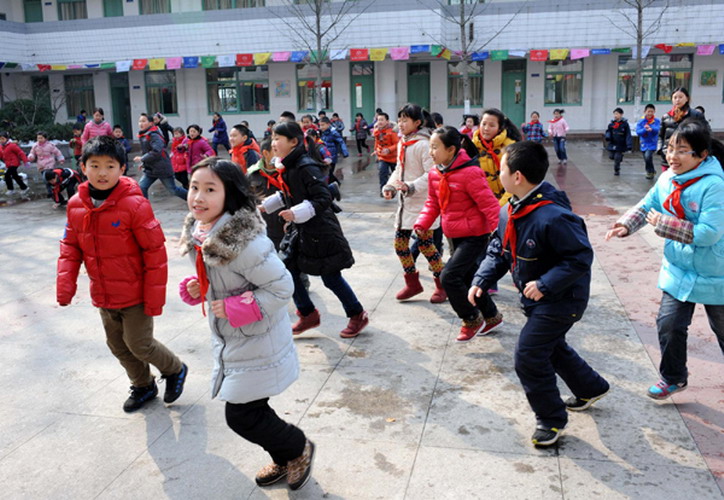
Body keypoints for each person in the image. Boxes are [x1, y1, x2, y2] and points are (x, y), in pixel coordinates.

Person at [179, 157, 315, 491]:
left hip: (256, 338)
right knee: (252, 409)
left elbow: (282, 287)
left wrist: (235, 307)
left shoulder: (243, 242)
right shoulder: (204, 231)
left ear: (231, 195)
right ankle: (285, 458)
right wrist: (201, 288)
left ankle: (297, 448)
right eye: (194, 187)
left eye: (210, 189)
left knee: (241, 415)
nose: (198, 196)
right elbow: (223, 278)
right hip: (237, 340)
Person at [469, 141, 610, 447]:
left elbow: (579, 257)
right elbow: (499, 249)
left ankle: (550, 419)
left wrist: (546, 283)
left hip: (562, 299)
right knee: (551, 346)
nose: (496, 172)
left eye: (501, 168)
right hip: (536, 297)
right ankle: (591, 387)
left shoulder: (553, 216)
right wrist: (482, 278)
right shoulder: (510, 208)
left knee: (529, 354)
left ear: (517, 176)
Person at [56, 136, 188, 413]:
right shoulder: (76, 206)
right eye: (95, 165)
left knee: (140, 344)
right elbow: (70, 247)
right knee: (117, 345)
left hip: (135, 293)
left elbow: (155, 254)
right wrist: (65, 286)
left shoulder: (135, 205)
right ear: (83, 167)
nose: (102, 172)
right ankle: (143, 385)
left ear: (122, 169)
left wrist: (154, 298)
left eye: (110, 166)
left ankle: (174, 368)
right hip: (103, 292)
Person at [605, 118, 724, 400]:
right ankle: (673, 377)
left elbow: (709, 234)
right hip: (679, 269)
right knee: (669, 324)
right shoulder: (667, 178)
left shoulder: (714, 186)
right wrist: (626, 225)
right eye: (670, 148)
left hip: (716, 272)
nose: (672, 156)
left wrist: (663, 224)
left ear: (701, 155)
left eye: (682, 150)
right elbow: (649, 204)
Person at [263, 121, 369, 338]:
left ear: (293, 142)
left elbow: (322, 197)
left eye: (278, 139)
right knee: (288, 269)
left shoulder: (304, 166)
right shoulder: (289, 165)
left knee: (330, 277)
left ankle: (357, 314)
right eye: (272, 138)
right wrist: (266, 206)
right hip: (302, 231)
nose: (273, 143)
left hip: (321, 231)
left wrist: (296, 212)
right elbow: (292, 194)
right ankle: (308, 313)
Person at [415, 127, 502, 341]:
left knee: (449, 277)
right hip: (454, 233)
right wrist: (422, 223)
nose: (431, 152)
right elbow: (433, 203)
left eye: (435, 147)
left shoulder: (470, 172)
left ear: (451, 149)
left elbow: (489, 205)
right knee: (469, 276)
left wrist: (501, 235)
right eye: (430, 147)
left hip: (475, 235)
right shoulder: (436, 172)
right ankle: (491, 315)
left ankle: (471, 318)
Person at [382, 103, 445, 303]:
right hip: (405, 205)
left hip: (423, 205)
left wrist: (410, 186)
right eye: (399, 119)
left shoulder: (424, 144)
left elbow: (432, 173)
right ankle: (412, 283)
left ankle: (442, 284)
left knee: (427, 246)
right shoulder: (404, 143)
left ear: (417, 122)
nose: (400, 123)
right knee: (400, 245)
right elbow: (399, 169)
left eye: (405, 120)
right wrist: (390, 186)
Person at [472, 108, 521, 206]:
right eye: (484, 124)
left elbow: (516, 182)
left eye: (492, 125)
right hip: (481, 205)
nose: (486, 128)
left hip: (508, 204)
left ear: (500, 128)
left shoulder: (510, 148)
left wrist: (500, 207)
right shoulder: (471, 148)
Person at [134, 113, 188, 201]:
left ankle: (192, 198)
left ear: (151, 123)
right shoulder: (144, 135)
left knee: (173, 190)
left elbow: (156, 151)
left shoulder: (154, 135)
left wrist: (142, 158)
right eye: (140, 121)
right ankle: (144, 208)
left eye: (143, 121)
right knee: (142, 187)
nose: (141, 123)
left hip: (162, 168)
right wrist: (144, 163)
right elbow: (147, 152)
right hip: (151, 169)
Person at [247, 137, 285, 250]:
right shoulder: (252, 174)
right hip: (262, 227)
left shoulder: (287, 172)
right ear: (265, 153)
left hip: (285, 226)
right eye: (276, 150)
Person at [658, 88, 704, 172]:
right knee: (667, 182)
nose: (677, 100)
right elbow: (661, 136)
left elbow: (705, 134)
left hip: (688, 158)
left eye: (680, 97)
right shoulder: (666, 117)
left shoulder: (696, 115)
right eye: (675, 97)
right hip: (668, 157)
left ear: (687, 98)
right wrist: (661, 150)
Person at [29, 131, 64, 197]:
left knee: (47, 178)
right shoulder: (35, 146)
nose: (39, 140)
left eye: (41, 138)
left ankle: (51, 191)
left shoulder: (50, 145)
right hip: (41, 164)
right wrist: (31, 157)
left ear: (45, 138)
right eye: (38, 138)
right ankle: (51, 190)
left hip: (49, 163)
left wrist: (60, 159)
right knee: (45, 178)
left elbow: (57, 152)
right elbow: (32, 153)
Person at [372, 112, 399, 193]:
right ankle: (383, 190)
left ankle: (396, 189)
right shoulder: (377, 131)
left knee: (396, 174)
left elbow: (397, 144)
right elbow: (376, 142)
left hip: (393, 157)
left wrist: (389, 149)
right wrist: (375, 150)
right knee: (382, 172)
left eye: (382, 120)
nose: (380, 122)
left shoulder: (392, 131)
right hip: (383, 157)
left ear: (387, 121)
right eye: (378, 120)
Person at [319, 116, 349, 185]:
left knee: (328, 173)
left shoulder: (333, 133)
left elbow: (341, 141)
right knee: (327, 173)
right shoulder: (322, 133)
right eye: (320, 125)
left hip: (332, 156)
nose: (321, 127)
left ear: (328, 124)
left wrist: (345, 152)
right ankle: (337, 184)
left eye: (323, 125)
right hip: (324, 156)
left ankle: (332, 187)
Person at [636, 104, 661, 180]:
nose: (650, 113)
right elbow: (638, 132)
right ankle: (651, 170)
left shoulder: (656, 121)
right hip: (644, 143)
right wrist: (645, 129)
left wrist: (651, 129)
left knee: (648, 156)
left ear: (654, 112)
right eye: (648, 111)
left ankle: (649, 172)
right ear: (645, 112)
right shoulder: (641, 121)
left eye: (652, 111)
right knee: (646, 159)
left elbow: (658, 130)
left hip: (652, 143)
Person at [605, 107, 632, 176]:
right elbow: (608, 131)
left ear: (621, 114)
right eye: (614, 114)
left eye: (617, 114)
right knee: (611, 156)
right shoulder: (611, 124)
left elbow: (628, 135)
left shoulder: (625, 124)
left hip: (621, 145)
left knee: (617, 158)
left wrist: (629, 145)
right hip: (612, 144)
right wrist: (607, 137)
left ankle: (617, 170)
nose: (615, 115)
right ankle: (619, 158)